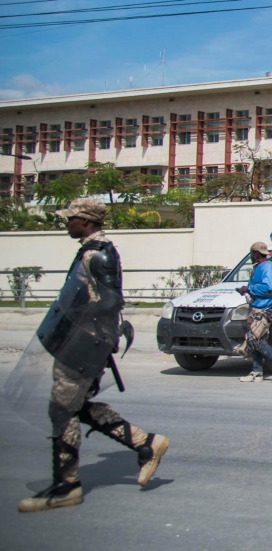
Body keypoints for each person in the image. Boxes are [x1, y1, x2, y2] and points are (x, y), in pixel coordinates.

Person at [18, 198, 169, 513]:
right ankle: (146, 442)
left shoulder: (99, 255)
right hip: (82, 342)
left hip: (84, 346)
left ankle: (67, 486)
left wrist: (81, 315)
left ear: (85, 221)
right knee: (74, 407)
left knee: (62, 410)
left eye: (70, 219)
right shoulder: (92, 250)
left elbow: (112, 300)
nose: (66, 223)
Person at [236, 241, 272, 382]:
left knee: (255, 340)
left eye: (252, 253)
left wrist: (249, 289)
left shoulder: (266, 267)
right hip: (257, 306)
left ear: (255, 253)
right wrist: (245, 290)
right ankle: (256, 372)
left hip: (263, 309)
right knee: (255, 341)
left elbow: (268, 288)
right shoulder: (259, 266)